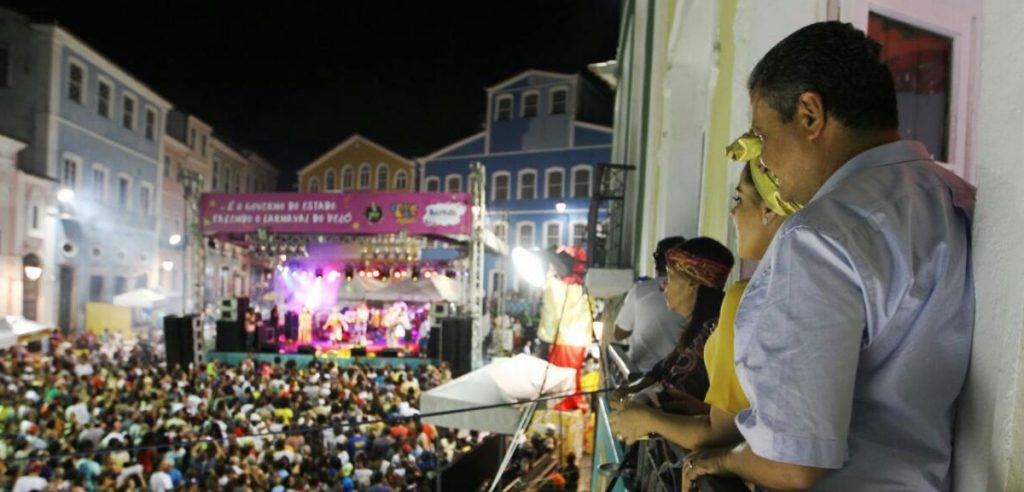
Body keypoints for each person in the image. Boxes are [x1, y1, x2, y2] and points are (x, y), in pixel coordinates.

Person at [680, 22, 975, 491]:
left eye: (763, 136)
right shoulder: (950, 195)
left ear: (810, 115)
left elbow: (793, 462)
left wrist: (723, 463)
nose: (764, 165)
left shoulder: (820, 236)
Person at [610, 140, 793, 455]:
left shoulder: (737, 306)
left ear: (768, 210)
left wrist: (647, 416)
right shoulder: (758, 299)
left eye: (739, 199)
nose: (733, 212)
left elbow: (718, 433)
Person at [613, 236, 688, 372]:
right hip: (679, 376)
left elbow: (619, 333)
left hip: (643, 374)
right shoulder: (694, 292)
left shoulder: (641, 290)